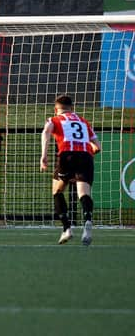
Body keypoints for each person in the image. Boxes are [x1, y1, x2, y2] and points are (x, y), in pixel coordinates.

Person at [40, 95, 100, 246]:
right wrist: (86, 152)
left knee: (57, 191)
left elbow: (46, 132)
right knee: (83, 193)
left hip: (67, 155)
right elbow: (98, 147)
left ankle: (67, 228)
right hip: (86, 156)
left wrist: (44, 156)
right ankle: (87, 221)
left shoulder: (54, 120)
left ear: (56, 109)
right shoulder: (84, 121)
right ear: (72, 108)